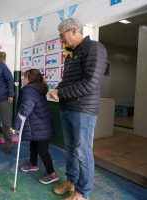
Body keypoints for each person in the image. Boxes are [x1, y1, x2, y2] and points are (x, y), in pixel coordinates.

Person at [49, 18, 107, 200]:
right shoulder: (71, 55)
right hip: (67, 107)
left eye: (62, 35)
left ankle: (82, 193)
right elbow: (68, 81)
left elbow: (90, 83)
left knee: (83, 151)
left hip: (83, 110)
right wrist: (56, 89)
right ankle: (71, 181)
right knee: (71, 149)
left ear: (73, 31)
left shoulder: (94, 49)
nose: (61, 40)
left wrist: (61, 92)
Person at [11, 69, 59, 185]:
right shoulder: (38, 88)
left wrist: (15, 126)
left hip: (41, 127)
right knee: (33, 144)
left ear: (29, 79)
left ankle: (52, 174)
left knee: (42, 151)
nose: (23, 79)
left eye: (25, 77)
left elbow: (24, 110)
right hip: (39, 125)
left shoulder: (29, 90)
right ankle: (33, 164)